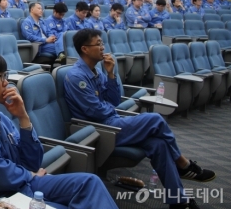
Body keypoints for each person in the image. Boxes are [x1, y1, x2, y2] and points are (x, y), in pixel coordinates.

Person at [0, 49, 118, 209]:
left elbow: (32, 162)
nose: (6, 82)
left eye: (5, 75)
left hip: (21, 185)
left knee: (89, 183)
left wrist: (23, 117)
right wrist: (30, 175)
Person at [64, 29, 215, 209]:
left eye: (102, 43)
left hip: (111, 121)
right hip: (98, 130)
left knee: (158, 145)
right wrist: (110, 109)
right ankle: (183, 163)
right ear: (85, 49)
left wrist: (111, 74)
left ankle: (179, 201)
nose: (103, 48)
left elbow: (113, 100)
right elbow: (95, 111)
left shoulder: (96, 71)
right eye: (98, 44)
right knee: (155, 119)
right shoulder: (76, 76)